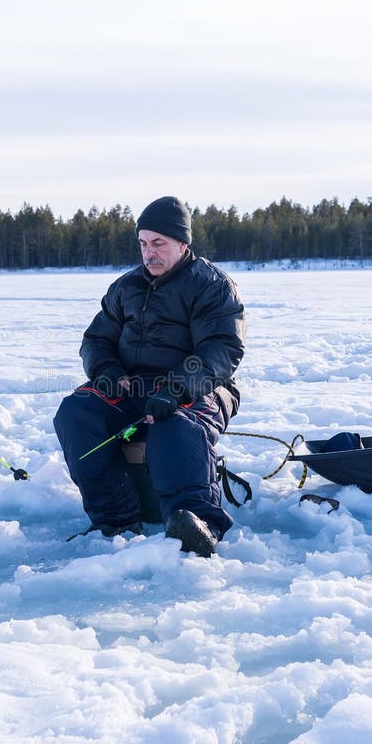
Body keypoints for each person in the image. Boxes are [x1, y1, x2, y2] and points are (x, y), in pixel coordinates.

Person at [53, 195, 246, 557]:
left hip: (202, 385)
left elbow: (221, 349)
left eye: (159, 244)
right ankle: (114, 519)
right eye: (143, 244)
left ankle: (199, 524)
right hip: (132, 386)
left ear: (182, 244)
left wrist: (176, 387)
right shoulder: (125, 287)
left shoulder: (212, 286)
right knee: (76, 412)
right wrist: (106, 370)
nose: (149, 253)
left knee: (175, 423)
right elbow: (96, 339)